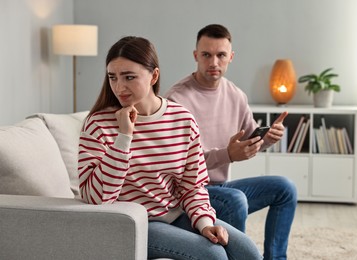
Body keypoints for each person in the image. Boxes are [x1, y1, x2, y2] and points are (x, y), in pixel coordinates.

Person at [78, 36, 262, 260]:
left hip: (175, 214)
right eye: (112, 77)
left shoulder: (182, 119)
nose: (118, 87)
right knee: (212, 255)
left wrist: (204, 223)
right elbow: (96, 197)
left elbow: (192, 186)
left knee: (248, 252)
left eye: (129, 77)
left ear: (153, 76)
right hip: (133, 223)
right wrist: (123, 137)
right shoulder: (98, 123)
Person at [164, 24, 297, 260]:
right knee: (236, 199)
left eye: (221, 55)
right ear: (196, 56)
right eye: (206, 55)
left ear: (230, 57)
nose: (213, 62)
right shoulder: (176, 99)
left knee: (285, 188)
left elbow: (246, 141)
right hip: (188, 194)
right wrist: (227, 154)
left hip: (221, 187)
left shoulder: (236, 94)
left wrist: (266, 139)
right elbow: (179, 165)